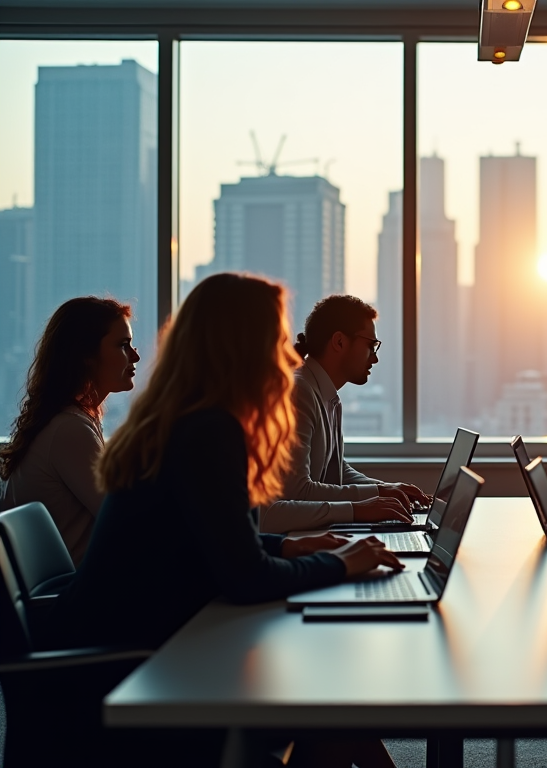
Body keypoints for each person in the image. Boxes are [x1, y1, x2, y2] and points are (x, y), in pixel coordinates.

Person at [42, 274, 404, 652]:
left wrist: (285, 547)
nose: (287, 358)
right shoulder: (207, 432)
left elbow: (206, 536)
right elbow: (248, 579)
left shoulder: (188, 420)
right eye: (277, 343)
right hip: (110, 662)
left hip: (121, 634)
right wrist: (343, 563)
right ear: (244, 351)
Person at [259, 294, 430, 534]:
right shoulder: (299, 393)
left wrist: (386, 489)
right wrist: (360, 507)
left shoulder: (326, 394)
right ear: (339, 342)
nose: (375, 357)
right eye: (371, 345)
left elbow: (336, 471)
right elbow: (298, 492)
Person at [0, 297, 140, 565]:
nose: (135, 355)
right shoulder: (69, 430)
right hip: (81, 594)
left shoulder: (71, 421)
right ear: (86, 356)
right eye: (123, 346)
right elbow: (124, 523)